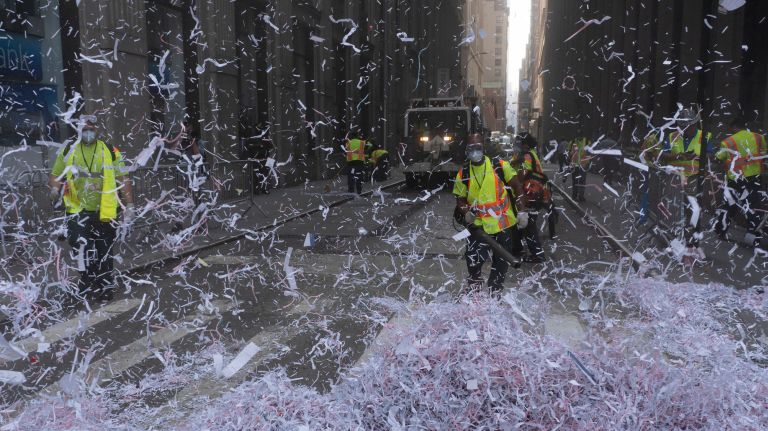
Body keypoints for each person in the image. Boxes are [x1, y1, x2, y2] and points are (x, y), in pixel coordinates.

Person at [48, 118, 134, 302]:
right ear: (79, 130)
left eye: (91, 129)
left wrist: (130, 205)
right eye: (85, 129)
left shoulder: (110, 151)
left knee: (104, 250)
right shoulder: (68, 149)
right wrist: (55, 188)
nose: (88, 132)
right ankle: (86, 283)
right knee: (81, 247)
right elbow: (56, 174)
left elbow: (123, 177)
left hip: (106, 210)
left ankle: (105, 286)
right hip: (77, 209)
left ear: (97, 130)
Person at [453, 134, 526, 293]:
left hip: (502, 226)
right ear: (467, 150)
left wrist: (522, 212)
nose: (475, 151)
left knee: (500, 268)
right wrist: (466, 212)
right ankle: (475, 296)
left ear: (483, 148)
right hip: (477, 229)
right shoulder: (463, 172)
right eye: (471, 148)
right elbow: (460, 199)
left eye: (478, 147)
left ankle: (495, 297)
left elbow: (518, 188)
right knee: (473, 263)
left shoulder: (500, 166)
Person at [660, 109, 713, 258]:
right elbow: (663, 155)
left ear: (695, 124)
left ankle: (691, 244)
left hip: (695, 179)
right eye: (683, 126)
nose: (686, 129)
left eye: (688, 126)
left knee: (692, 211)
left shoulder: (705, 136)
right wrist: (679, 155)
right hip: (675, 180)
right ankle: (677, 240)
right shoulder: (673, 136)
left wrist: (699, 155)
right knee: (675, 210)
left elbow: (710, 155)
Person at [713, 116, 766, 247]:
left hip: (735, 179)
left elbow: (718, 158)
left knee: (729, 205)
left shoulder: (728, 141)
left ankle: (721, 230)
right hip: (754, 178)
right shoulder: (759, 137)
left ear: (734, 127)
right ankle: (753, 236)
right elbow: (764, 154)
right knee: (753, 206)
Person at [515, 133, 549, 262]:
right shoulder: (532, 153)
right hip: (535, 194)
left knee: (529, 226)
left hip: (530, 195)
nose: (517, 145)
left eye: (519, 143)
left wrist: (513, 180)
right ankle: (518, 249)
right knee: (523, 224)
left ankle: (538, 255)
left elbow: (523, 175)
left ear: (525, 144)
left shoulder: (527, 156)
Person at [569, 134, 591, 202]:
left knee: (581, 181)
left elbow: (589, 152)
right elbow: (569, 152)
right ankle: (575, 195)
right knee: (576, 181)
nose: (579, 137)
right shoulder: (572, 142)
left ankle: (580, 196)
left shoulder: (587, 141)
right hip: (575, 165)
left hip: (583, 165)